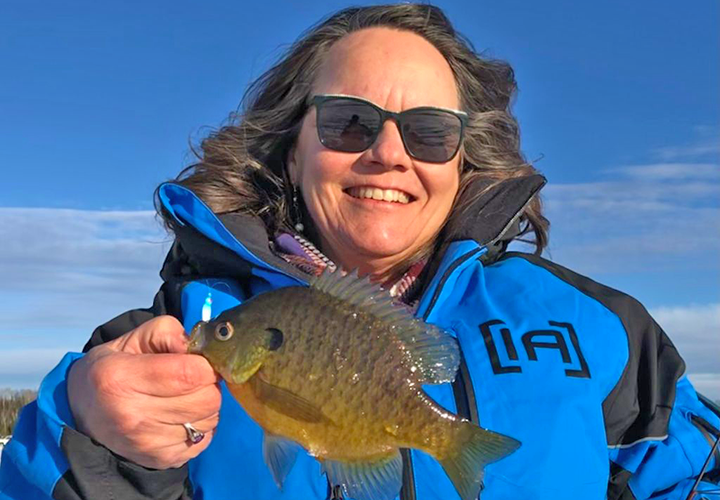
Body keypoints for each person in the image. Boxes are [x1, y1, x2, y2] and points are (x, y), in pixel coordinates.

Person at [1, 4, 718, 500]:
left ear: (464, 161)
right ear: (292, 151)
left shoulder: (599, 329)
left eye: (430, 132)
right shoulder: (156, 350)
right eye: (349, 122)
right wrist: (92, 434)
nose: (387, 154)